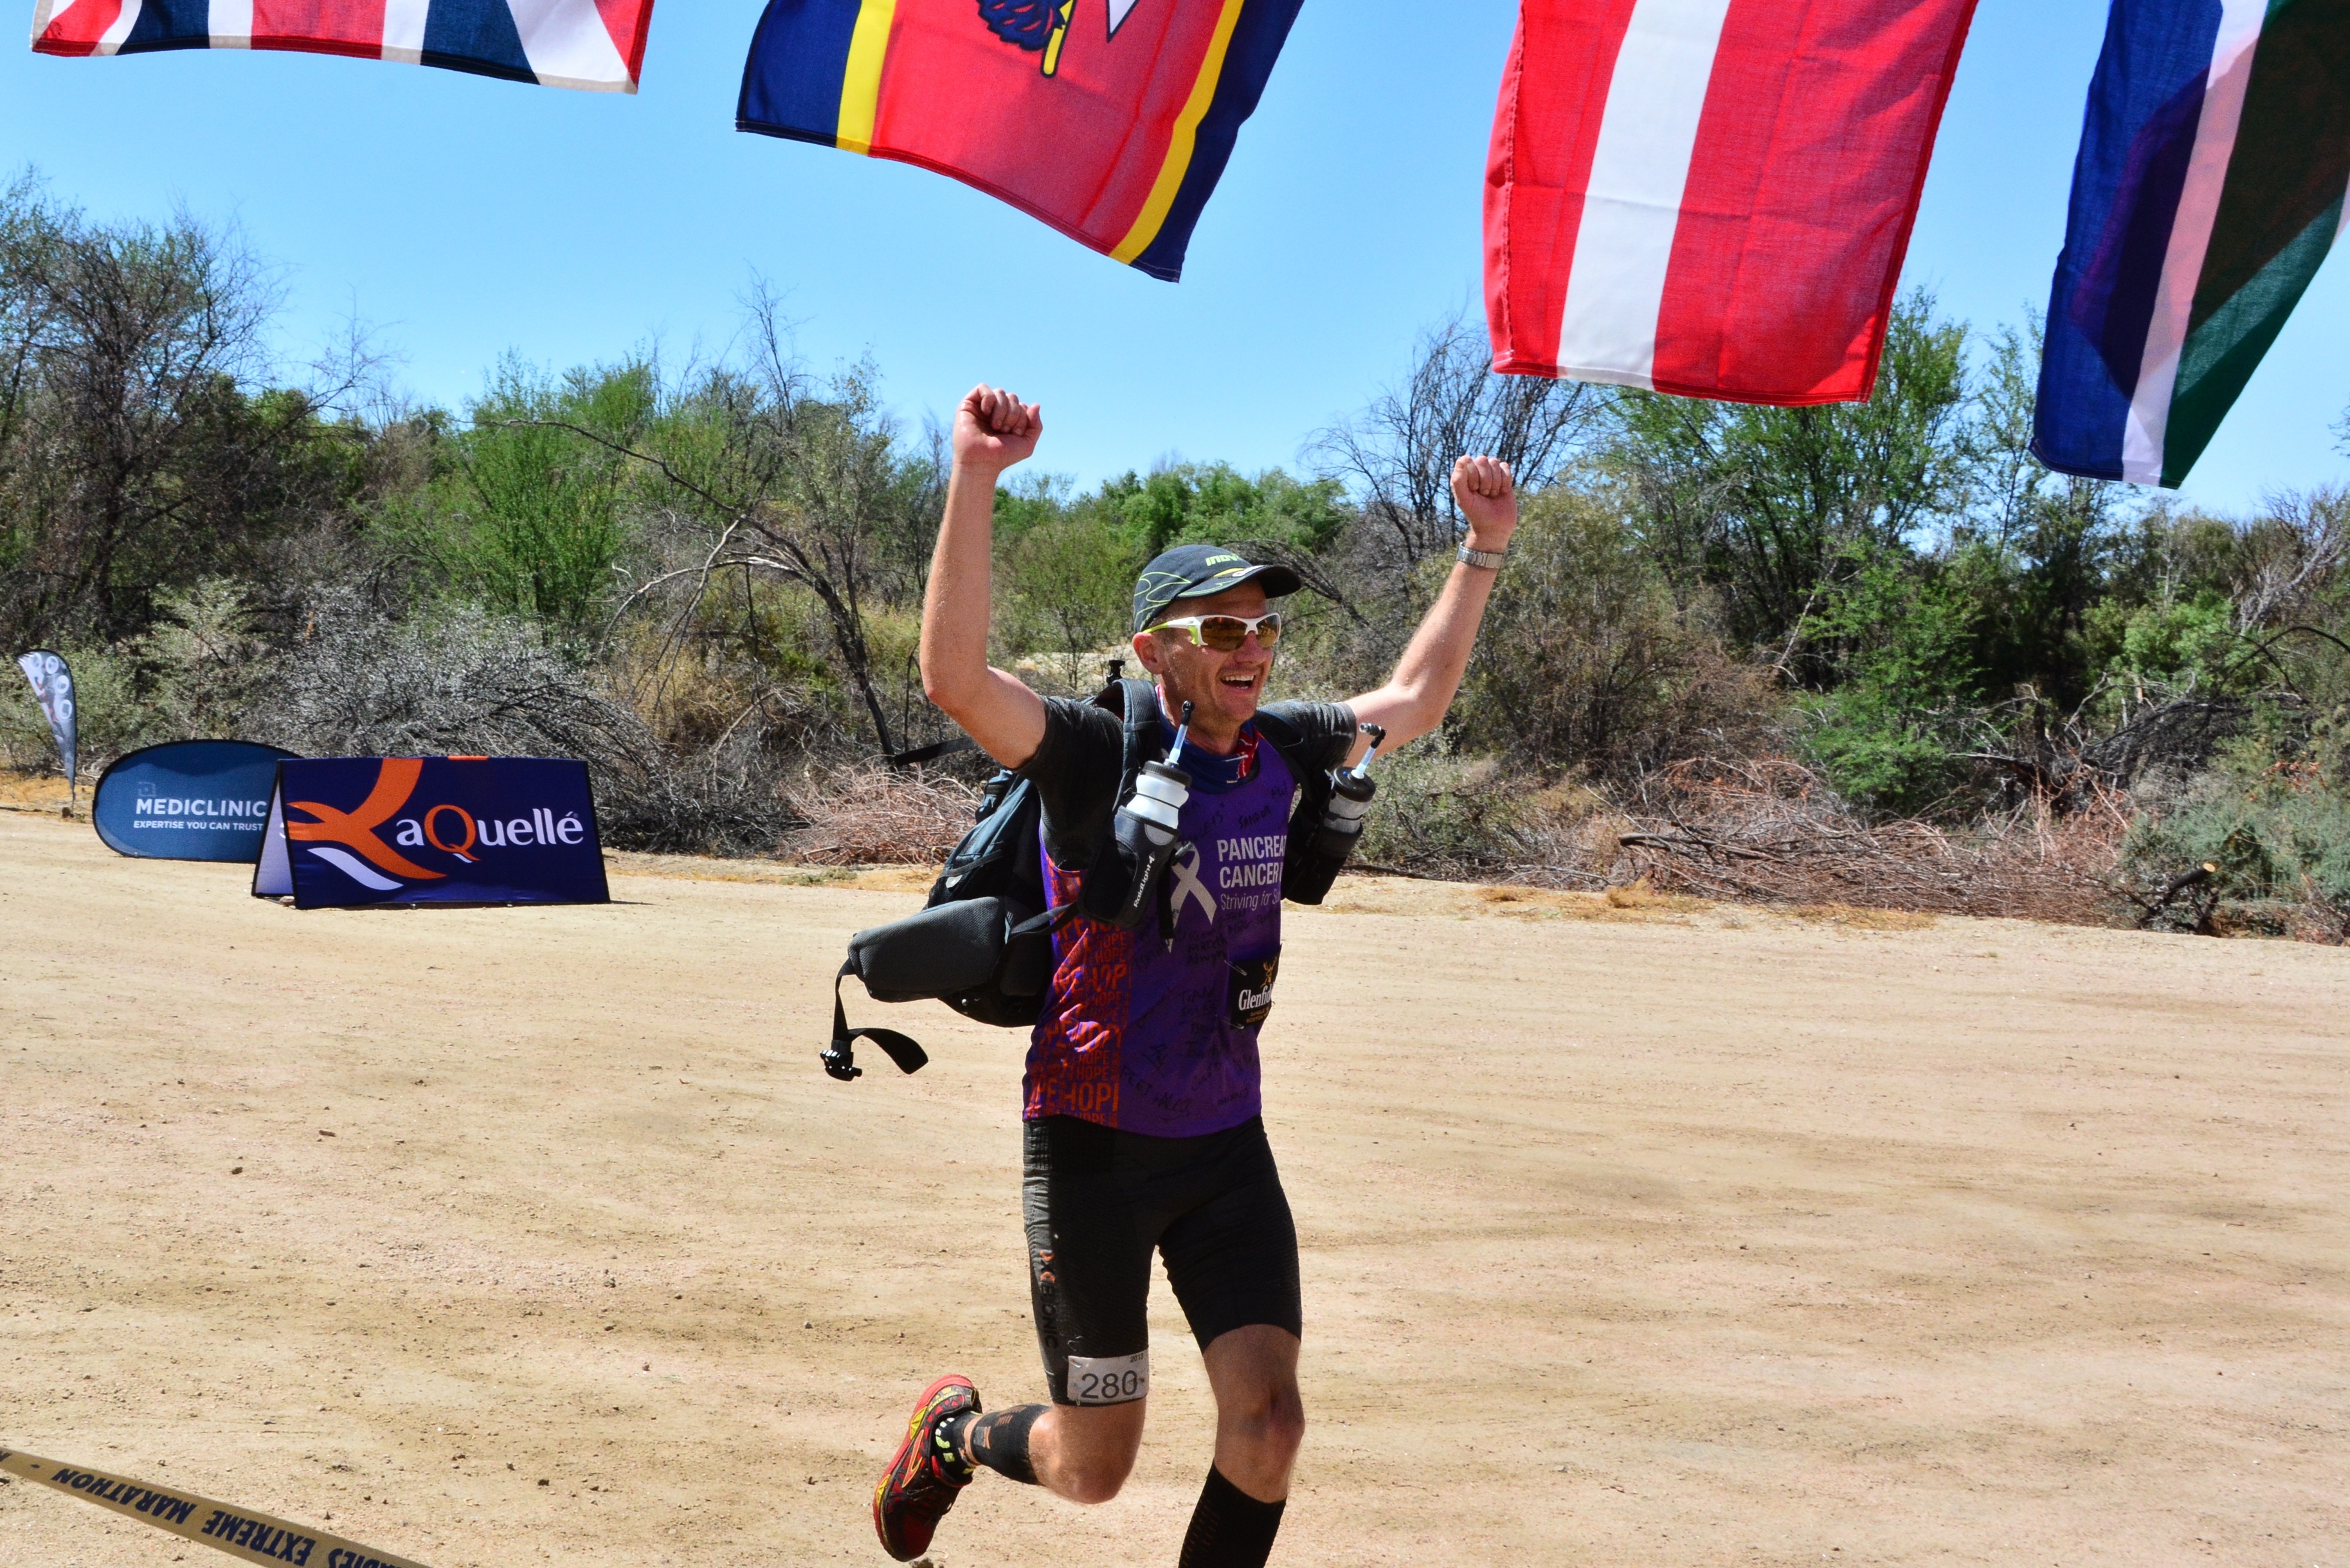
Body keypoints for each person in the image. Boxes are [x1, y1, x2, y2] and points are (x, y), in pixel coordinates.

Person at [872, 384, 1519, 1567]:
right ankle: (957, 1436)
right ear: (1154, 649)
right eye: (1222, 630)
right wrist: (973, 478)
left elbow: (1413, 702)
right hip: (1093, 1149)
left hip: (1225, 1144)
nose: (1253, 649)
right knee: (1092, 1463)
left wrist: (1480, 550)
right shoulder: (1089, 752)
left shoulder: (1281, 746)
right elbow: (954, 682)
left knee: (1267, 1426)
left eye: (1264, 628)